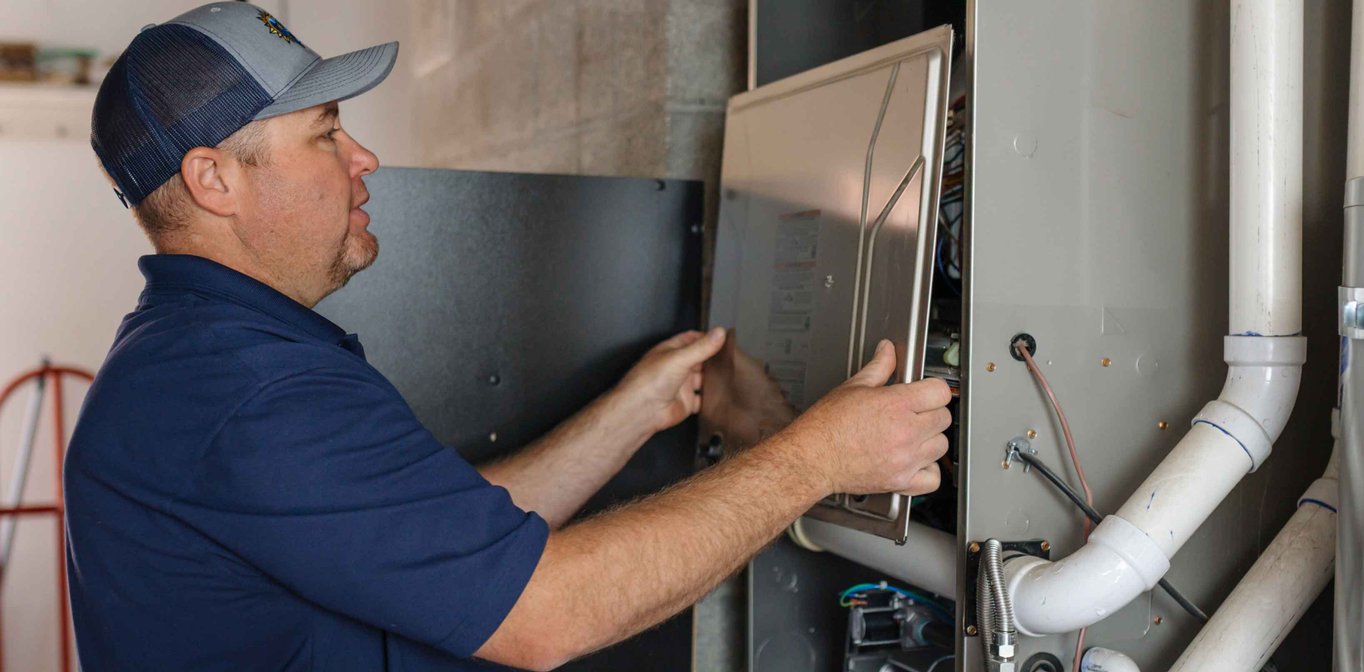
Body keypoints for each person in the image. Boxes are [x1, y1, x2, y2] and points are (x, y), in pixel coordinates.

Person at [66, 3, 950, 671]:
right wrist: (818, 461)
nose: (362, 157)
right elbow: (545, 612)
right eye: (327, 134)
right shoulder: (247, 391)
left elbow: (449, 539)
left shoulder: (209, 356)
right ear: (215, 179)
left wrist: (635, 411)